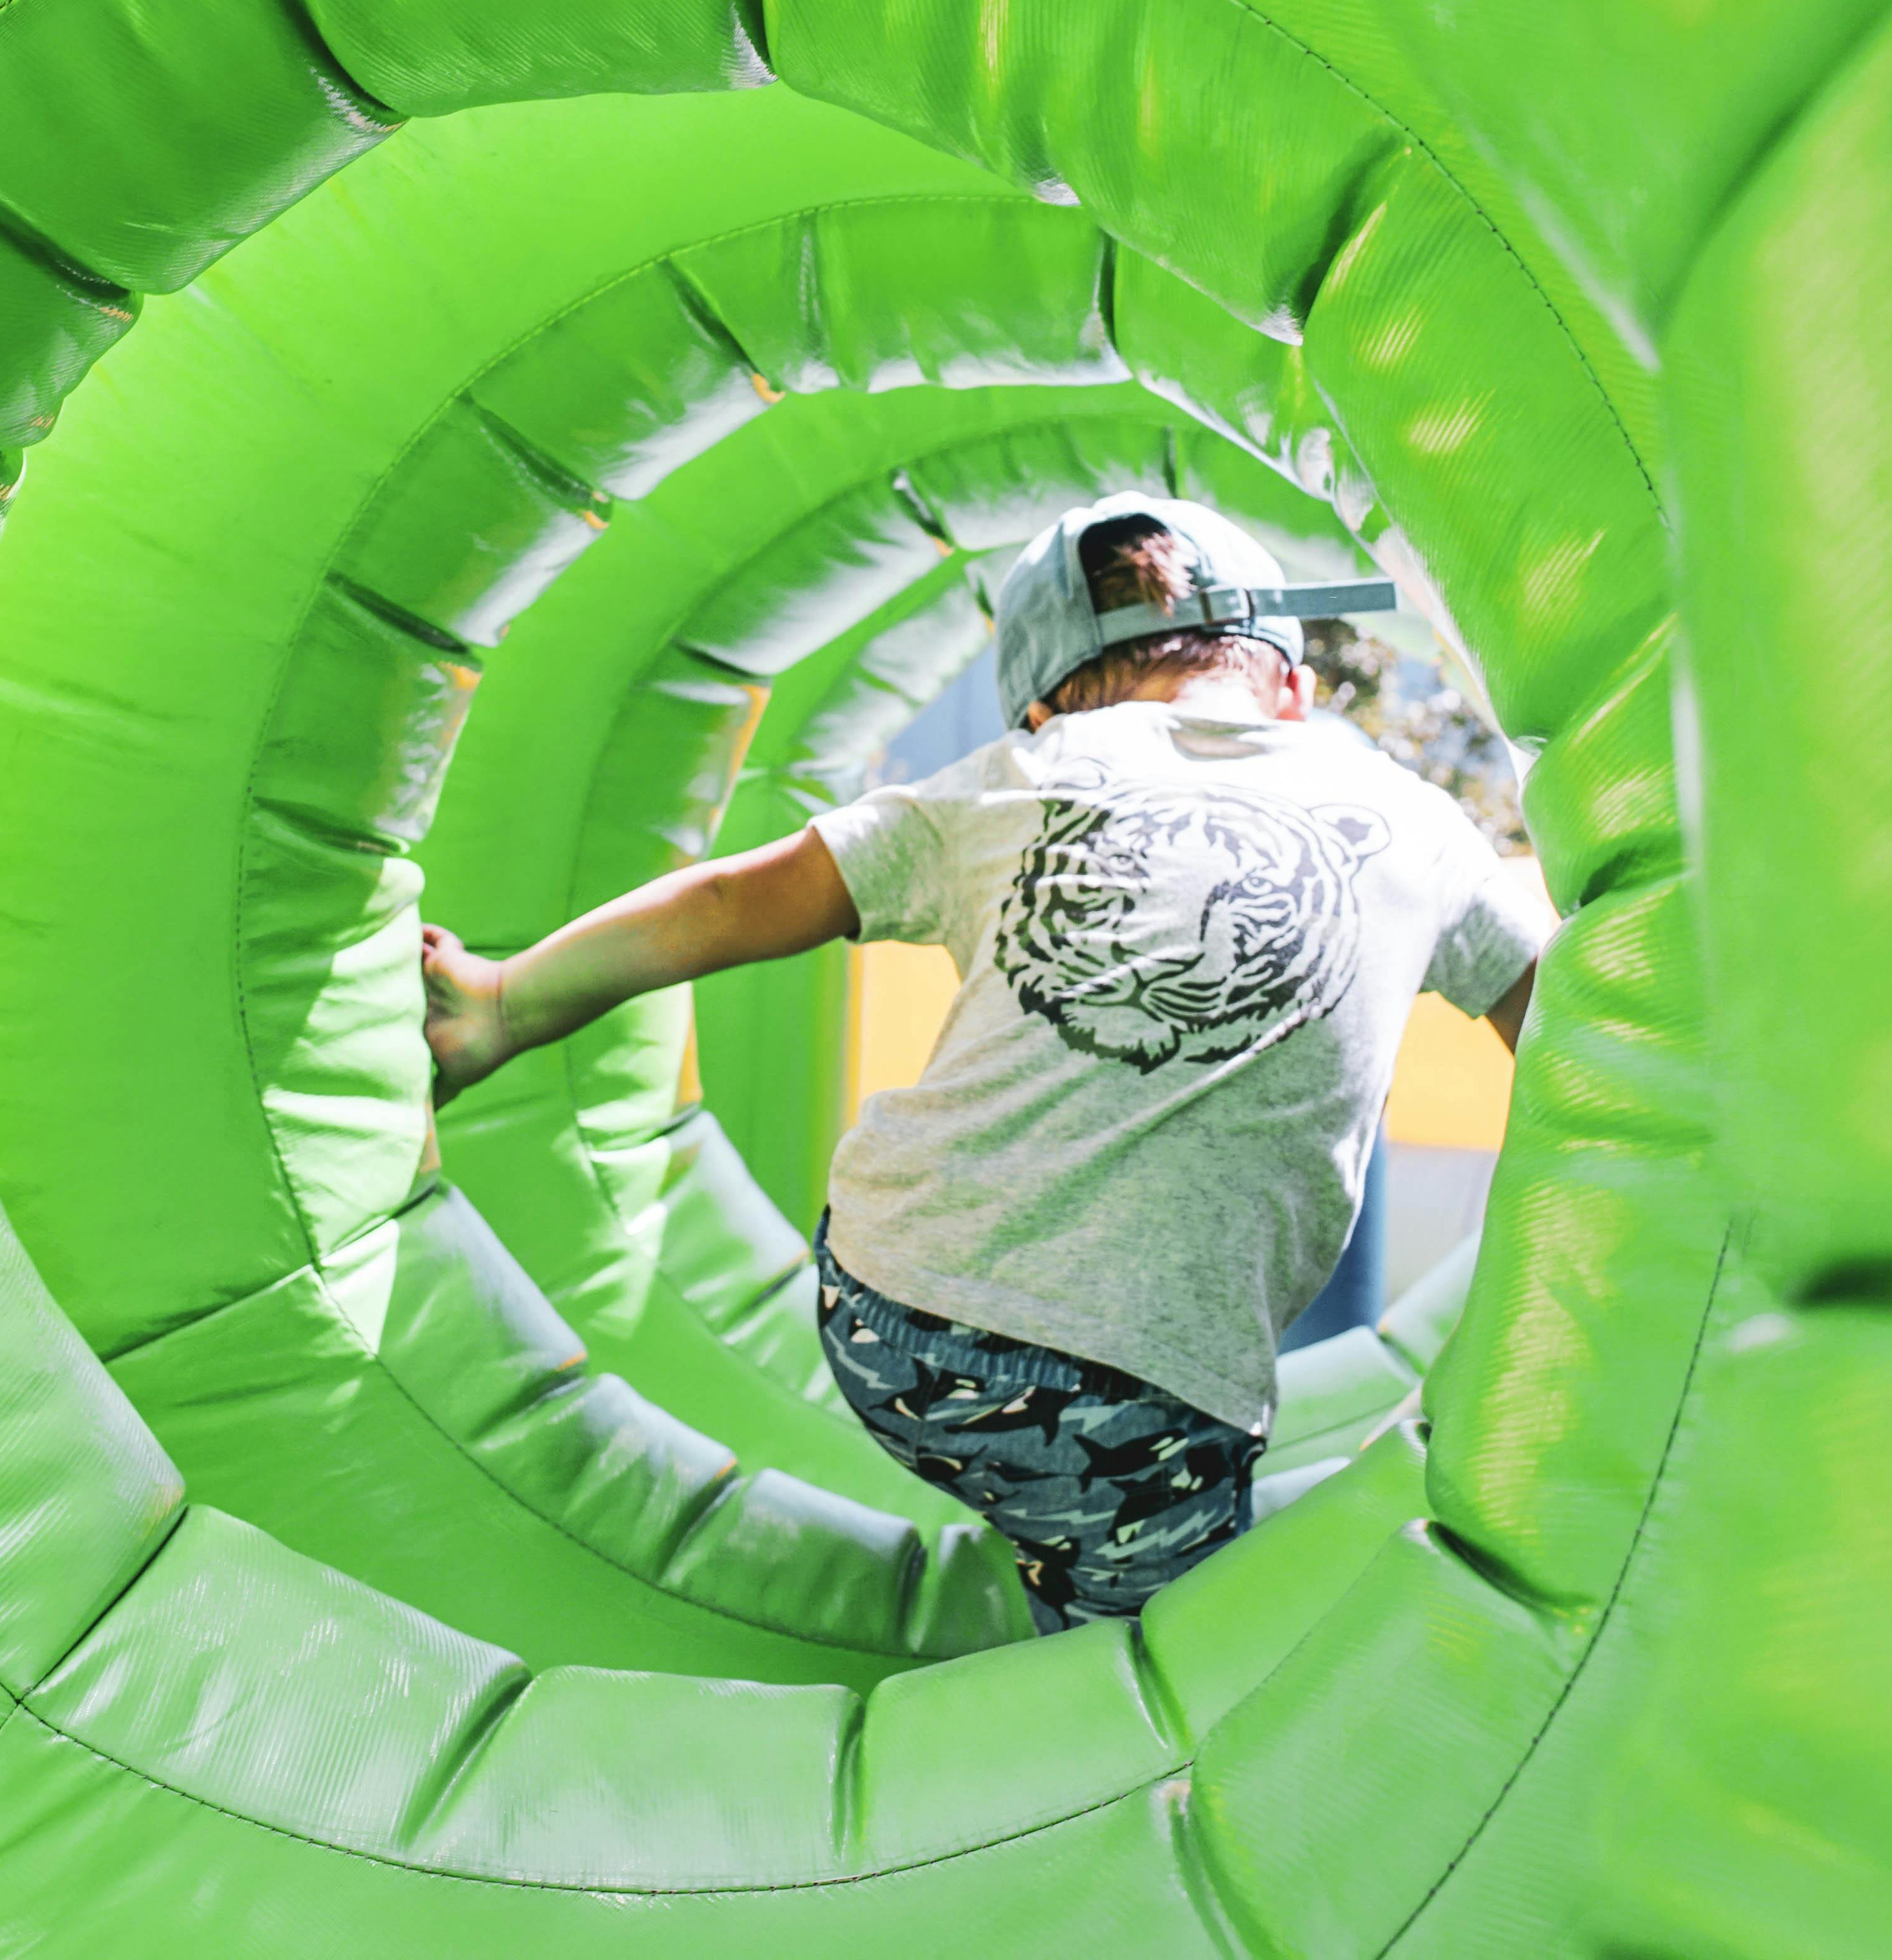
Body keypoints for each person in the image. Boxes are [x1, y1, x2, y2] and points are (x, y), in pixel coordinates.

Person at [420, 491, 1553, 1630]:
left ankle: (1046, 1557)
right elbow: (1565, 1022)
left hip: (891, 1310)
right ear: (1292, 684)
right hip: (1151, 1398)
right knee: (1179, 1665)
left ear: (1043, 702)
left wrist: (504, 1003)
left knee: (1078, 1502)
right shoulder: (1417, 825)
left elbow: (729, 899)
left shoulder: (1023, 772)